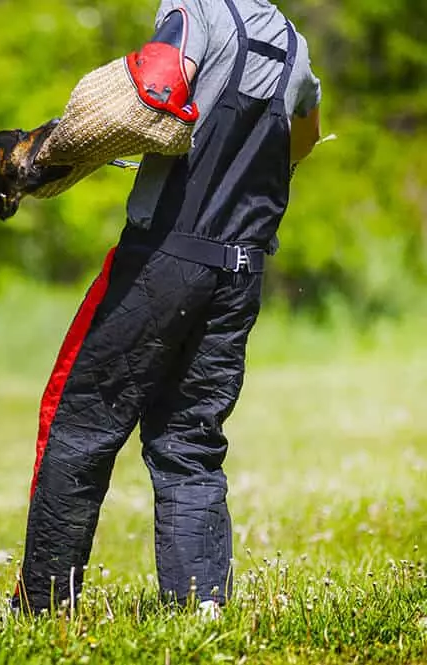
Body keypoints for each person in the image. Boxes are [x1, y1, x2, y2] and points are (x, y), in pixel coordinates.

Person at [18, 0, 322, 613]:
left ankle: (44, 609)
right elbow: (304, 137)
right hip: (240, 270)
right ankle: (199, 605)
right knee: (190, 439)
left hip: (163, 260)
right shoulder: (293, 42)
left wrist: (66, 147)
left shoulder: (197, 10)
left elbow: (157, 80)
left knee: (77, 424)